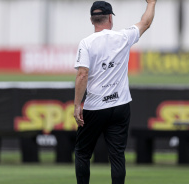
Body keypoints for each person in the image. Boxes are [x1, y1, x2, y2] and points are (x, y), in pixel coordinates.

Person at [74, 0, 157, 183]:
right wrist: (151, 3)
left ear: (91, 20)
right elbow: (146, 23)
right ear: (110, 18)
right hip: (120, 105)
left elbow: (82, 74)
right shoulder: (123, 37)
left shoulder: (86, 43)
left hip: (94, 107)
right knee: (117, 155)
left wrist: (77, 105)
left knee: (82, 153)